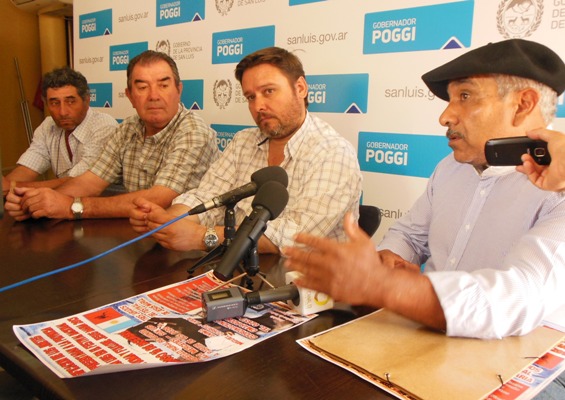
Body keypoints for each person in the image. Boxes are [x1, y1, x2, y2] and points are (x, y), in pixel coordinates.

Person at [284, 39, 565, 344]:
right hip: (425, 333)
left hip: (523, 361)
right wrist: (388, 259)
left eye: (466, 96)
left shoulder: (560, 188)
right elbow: (409, 234)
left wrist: (383, 285)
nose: (445, 117)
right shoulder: (451, 167)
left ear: (522, 105)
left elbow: (517, 297)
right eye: (451, 99)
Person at [129, 46, 362, 255]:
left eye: (269, 91)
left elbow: (294, 239)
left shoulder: (333, 152)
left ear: (300, 88)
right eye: (251, 97)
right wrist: (168, 220)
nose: (258, 106)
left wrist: (203, 237)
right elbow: (207, 197)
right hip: (241, 271)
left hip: (313, 292)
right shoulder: (243, 141)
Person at [5, 50, 219, 220]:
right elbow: (90, 182)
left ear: (178, 90)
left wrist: (71, 206)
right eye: (142, 87)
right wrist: (36, 204)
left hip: (187, 245)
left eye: (163, 85)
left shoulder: (193, 132)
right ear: (129, 96)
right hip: (139, 235)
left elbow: (158, 200)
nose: (154, 96)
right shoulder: (127, 128)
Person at [2, 66, 118, 195]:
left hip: (103, 205)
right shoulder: (48, 126)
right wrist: (5, 185)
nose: (62, 112)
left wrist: (13, 186)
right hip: (63, 202)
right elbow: (28, 167)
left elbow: (79, 182)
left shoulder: (104, 127)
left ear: (87, 100)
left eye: (70, 102)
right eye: (55, 103)